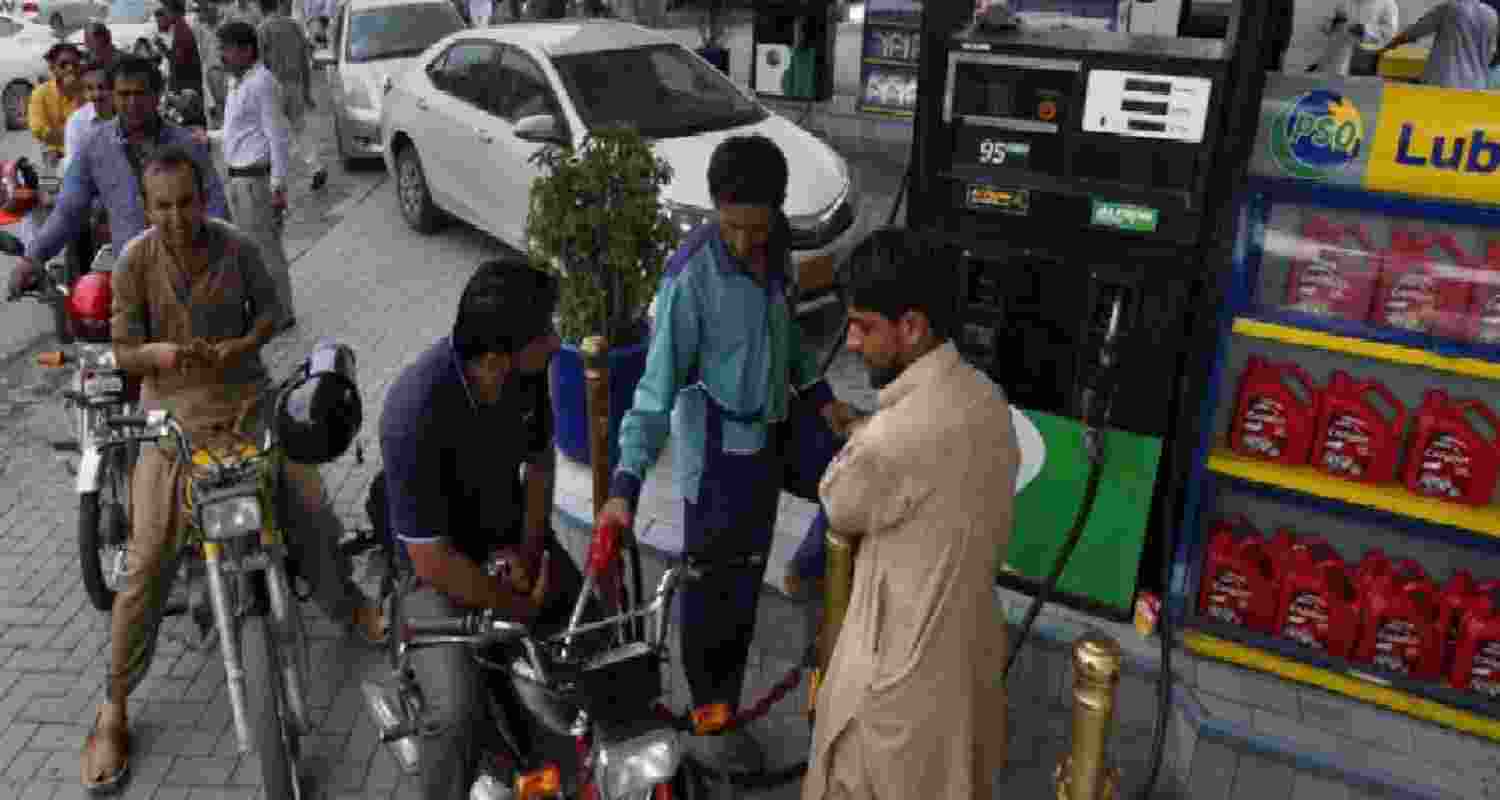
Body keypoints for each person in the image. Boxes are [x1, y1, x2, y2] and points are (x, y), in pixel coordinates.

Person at [78, 145, 384, 792]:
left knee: (310, 507)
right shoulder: (133, 263)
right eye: (162, 206)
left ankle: (351, 605)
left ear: (204, 195)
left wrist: (246, 342)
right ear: (148, 205)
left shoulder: (239, 248)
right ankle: (114, 706)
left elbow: (273, 311)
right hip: (172, 424)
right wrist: (157, 354)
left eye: (186, 202)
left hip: (249, 405)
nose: (177, 217)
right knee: (145, 559)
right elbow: (123, 350)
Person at [596, 134, 856, 774]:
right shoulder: (691, 278)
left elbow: (788, 339)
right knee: (717, 609)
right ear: (716, 211)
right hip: (716, 460)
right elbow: (653, 396)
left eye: (755, 225)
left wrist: (824, 399)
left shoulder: (777, 253)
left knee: (851, 480)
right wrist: (624, 488)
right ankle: (711, 733)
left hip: (771, 432)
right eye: (731, 225)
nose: (743, 241)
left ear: (774, 213)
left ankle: (805, 575)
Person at [803, 227, 1017, 800]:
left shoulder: (889, 441)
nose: (850, 342)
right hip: (969, 679)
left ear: (913, 328)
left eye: (864, 326)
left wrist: (864, 434)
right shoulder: (989, 401)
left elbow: (839, 500)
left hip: (891, 706)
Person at [380, 258, 597, 800]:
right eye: (545, 331)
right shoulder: (412, 411)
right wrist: (515, 605)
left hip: (509, 543)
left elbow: (540, 465)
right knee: (456, 714)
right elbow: (431, 561)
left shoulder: (526, 376)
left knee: (596, 636)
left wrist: (527, 551)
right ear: (498, 358)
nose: (555, 339)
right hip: (436, 574)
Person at [5, 57, 228, 302]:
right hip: (134, 278)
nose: (132, 103)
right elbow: (68, 211)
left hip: (191, 277)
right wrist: (32, 258)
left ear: (157, 96)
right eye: (124, 94)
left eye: (140, 93)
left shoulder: (186, 144)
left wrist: (218, 264)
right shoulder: (95, 147)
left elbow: (215, 205)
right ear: (113, 95)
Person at [217, 21, 298, 333]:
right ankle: (266, 309)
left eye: (227, 49)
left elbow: (277, 136)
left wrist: (278, 185)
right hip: (238, 178)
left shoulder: (262, 82)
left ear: (246, 50)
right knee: (250, 251)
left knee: (266, 250)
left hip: (257, 181)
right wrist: (207, 137)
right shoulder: (237, 84)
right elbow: (236, 134)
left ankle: (282, 313)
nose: (222, 55)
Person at [258, 0, 326, 191]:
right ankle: (315, 167)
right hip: (295, 83)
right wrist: (307, 90)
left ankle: (278, 180)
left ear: (261, 8)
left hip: (273, 87)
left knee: (274, 134)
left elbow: (260, 65)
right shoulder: (293, 26)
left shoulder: (262, 30)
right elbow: (304, 59)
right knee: (300, 129)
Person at [58, 63, 118, 279]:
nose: (97, 94)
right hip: (91, 199)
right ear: (84, 92)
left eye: (102, 87)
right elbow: (76, 171)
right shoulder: (77, 122)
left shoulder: (129, 116)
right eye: (90, 88)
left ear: (113, 89)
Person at [1380, 0, 1498, 89]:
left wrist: (1386, 47)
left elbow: (1413, 33)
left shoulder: (1449, 9)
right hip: (1476, 86)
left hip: (1443, 83)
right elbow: (1492, 54)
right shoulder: (1492, 15)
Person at [28, 43, 86, 169]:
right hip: (53, 152)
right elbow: (38, 129)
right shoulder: (40, 93)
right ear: (53, 68)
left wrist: (76, 93)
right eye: (63, 64)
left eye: (75, 64)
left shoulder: (89, 90)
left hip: (84, 152)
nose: (70, 69)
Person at [1312, 0, 1399, 75]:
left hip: (1367, 60)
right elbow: (1325, 26)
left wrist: (1365, 31)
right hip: (1337, 57)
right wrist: (1333, 23)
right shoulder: (1344, 3)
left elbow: (1389, 33)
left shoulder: (1388, 4)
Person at [156, 1, 205, 95]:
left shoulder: (182, 30)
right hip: (184, 88)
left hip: (186, 89)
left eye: (166, 10)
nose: (165, 15)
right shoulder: (180, 28)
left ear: (172, 11)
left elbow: (179, 63)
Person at [192, 1, 227, 125]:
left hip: (225, 70)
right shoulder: (201, 29)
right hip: (211, 70)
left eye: (212, 10)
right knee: (215, 104)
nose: (208, 13)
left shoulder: (223, 26)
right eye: (206, 11)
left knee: (224, 101)